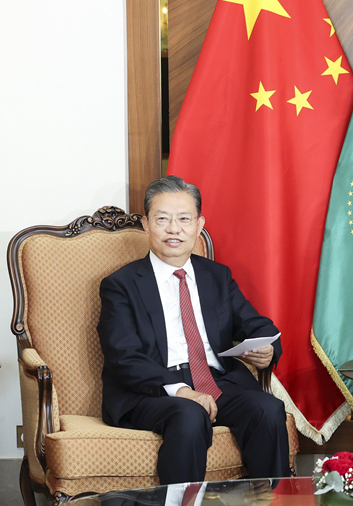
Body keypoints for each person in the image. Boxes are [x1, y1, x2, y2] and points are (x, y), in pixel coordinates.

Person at [98, 176, 289, 484]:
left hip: (216, 382)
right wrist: (182, 391)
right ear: (146, 224)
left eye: (184, 219)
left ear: (199, 224)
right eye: (162, 219)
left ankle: (273, 501)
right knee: (188, 414)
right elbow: (122, 356)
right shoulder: (120, 285)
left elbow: (258, 324)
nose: (174, 229)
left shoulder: (216, 276)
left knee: (267, 408)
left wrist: (266, 349)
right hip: (153, 391)